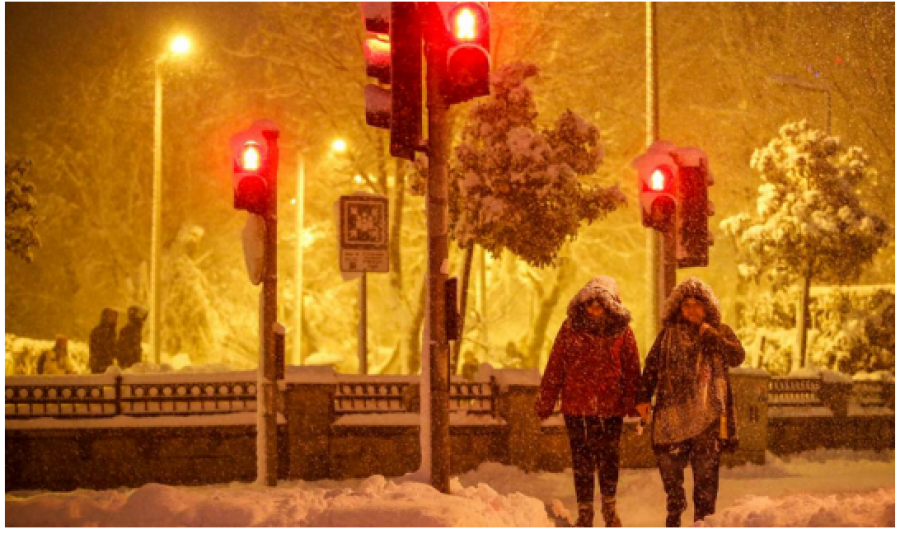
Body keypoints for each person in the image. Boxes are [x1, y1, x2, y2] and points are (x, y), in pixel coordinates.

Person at [635, 278, 745, 527]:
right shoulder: (667, 336)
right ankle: (675, 505)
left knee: (706, 478)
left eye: (698, 304)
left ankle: (702, 522)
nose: (692, 310)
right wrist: (642, 397)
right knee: (669, 468)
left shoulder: (720, 331)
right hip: (672, 416)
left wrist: (712, 338)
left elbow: (737, 356)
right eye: (686, 305)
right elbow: (651, 367)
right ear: (678, 308)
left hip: (708, 417)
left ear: (708, 307)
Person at [535, 276, 641, 527]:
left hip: (610, 406)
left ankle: (609, 508)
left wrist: (634, 402)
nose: (595, 309)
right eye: (590, 304)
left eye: (600, 304)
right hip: (577, 407)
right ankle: (585, 512)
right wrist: (545, 401)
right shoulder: (570, 328)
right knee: (581, 461)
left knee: (609, 459)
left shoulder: (622, 331)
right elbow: (556, 366)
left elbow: (632, 368)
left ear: (610, 306)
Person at [116, 305, 148, 370]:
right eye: (139, 316)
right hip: (129, 366)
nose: (141, 319)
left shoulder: (135, 330)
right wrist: (129, 364)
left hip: (134, 365)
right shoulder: (127, 330)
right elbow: (123, 350)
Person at [89, 308, 118, 374]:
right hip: (99, 365)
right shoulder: (98, 331)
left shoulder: (112, 332)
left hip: (108, 365)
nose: (113, 319)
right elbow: (97, 349)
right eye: (111, 316)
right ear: (105, 317)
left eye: (114, 317)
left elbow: (113, 348)